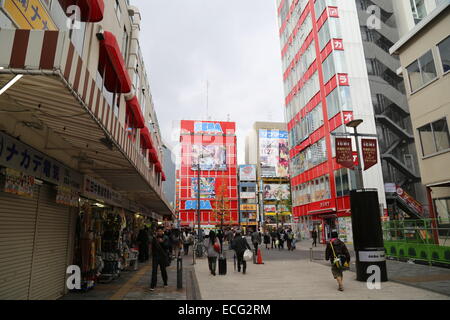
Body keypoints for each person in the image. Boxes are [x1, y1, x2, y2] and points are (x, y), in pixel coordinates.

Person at [150, 226, 170, 291]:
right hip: (155, 257)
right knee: (154, 271)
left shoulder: (165, 237)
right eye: (158, 231)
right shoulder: (154, 238)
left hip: (162, 257)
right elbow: (152, 247)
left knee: (163, 270)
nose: (159, 232)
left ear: (162, 231)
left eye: (160, 231)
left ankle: (165, 282)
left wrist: (162, 242)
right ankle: (153, 285)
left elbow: (167, 247)